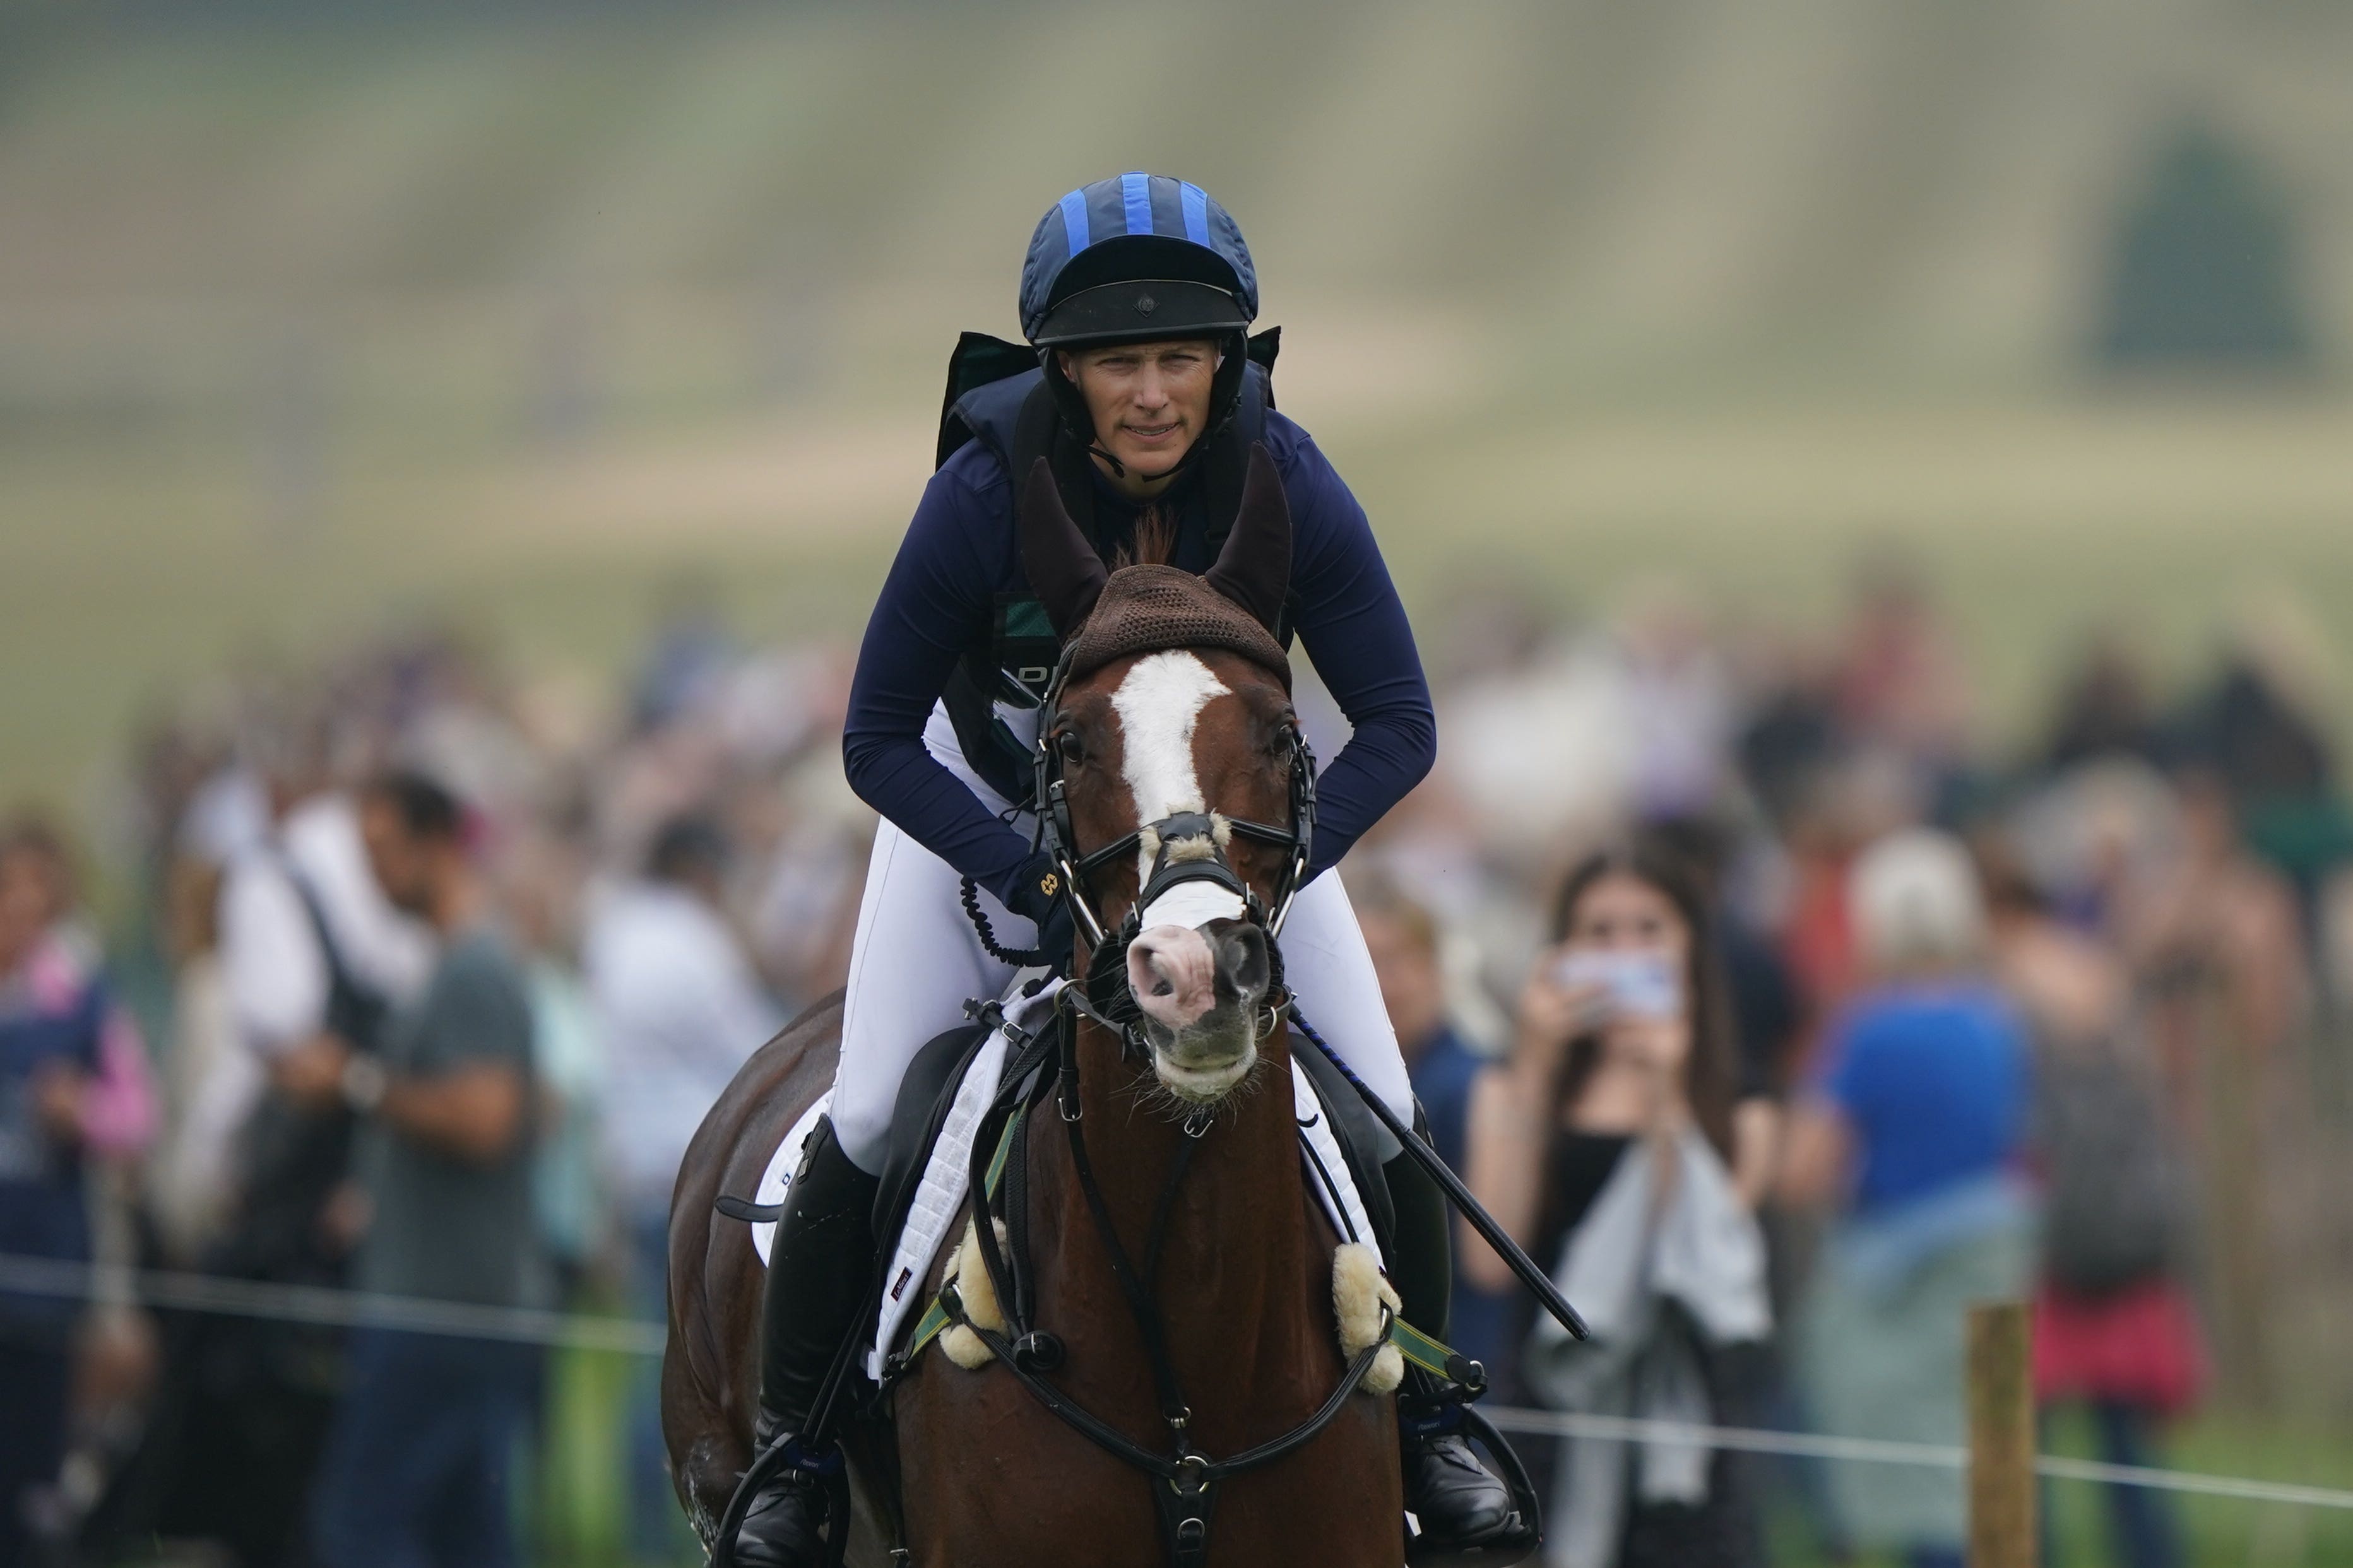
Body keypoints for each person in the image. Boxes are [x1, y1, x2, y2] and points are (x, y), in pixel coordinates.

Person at [734, 172, 1510, 1565]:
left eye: (1181, 359)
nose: (1153, 393)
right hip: (990, 822)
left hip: (1223, 848)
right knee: (863, 1124)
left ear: (1226, 363)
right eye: (1116, 364)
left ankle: (1432, 1428)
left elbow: (1400, 722)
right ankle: (796, 1459)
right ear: (1064, 373)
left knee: (1388, 1116)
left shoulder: (1288, 477)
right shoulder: (981, 494)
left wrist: (1258, 881)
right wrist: (1036, 884)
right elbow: (870, 738)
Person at [1464, 838, 1769, 1568]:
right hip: (1548, 1395)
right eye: (1599, 933)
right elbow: (1487, 1259)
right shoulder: (1505, 1086)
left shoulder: (1741, 1103)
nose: (1624, 952)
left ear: (1688, 944)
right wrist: (1535, 1061)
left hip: (1678, 1420)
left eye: (1648, 929)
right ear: (1562, 950)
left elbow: (1697, 1258)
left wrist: (1665, 1092)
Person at [276, 772, 544, 1568]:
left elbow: (486, 1118)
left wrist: (352, 1080)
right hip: (458, 1304)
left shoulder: (473, 968)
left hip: (442, 1309)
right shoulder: (454, 963)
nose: (372, 873)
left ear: (436, 845)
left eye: (385, 850)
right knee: (469, 1537)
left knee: (362, 1524)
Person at [1779, 828, 2034, 1568]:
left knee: (1903, 1464)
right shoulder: (1996, 1018)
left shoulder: (1865, 1032)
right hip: (1996, 1253)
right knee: (1993, 1455)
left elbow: (1806, 1166)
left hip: (1894, 1273)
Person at [584, 814, 782, 1557]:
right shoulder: (693, 942)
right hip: (701, 1182)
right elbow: (762, 1047)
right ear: (698, 871)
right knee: (695, 1370)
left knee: (651, 1355)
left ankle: (644, 1533)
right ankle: (673, 1532)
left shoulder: (615, 932)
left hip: (635, 1171)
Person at [0, 819, 158, 1568]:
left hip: (43, 1282)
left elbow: (138, 1116)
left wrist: (83, 1111)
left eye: (38, 892)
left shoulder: (82, 1000)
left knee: (33, 1477)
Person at [1354, 879, 1515, 1383]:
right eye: (1361, 965)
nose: (1379, 985)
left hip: (1454, 1358)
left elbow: (1488, 1261)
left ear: (1436, 971)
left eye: (1394, 960)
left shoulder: (1475, 1080)